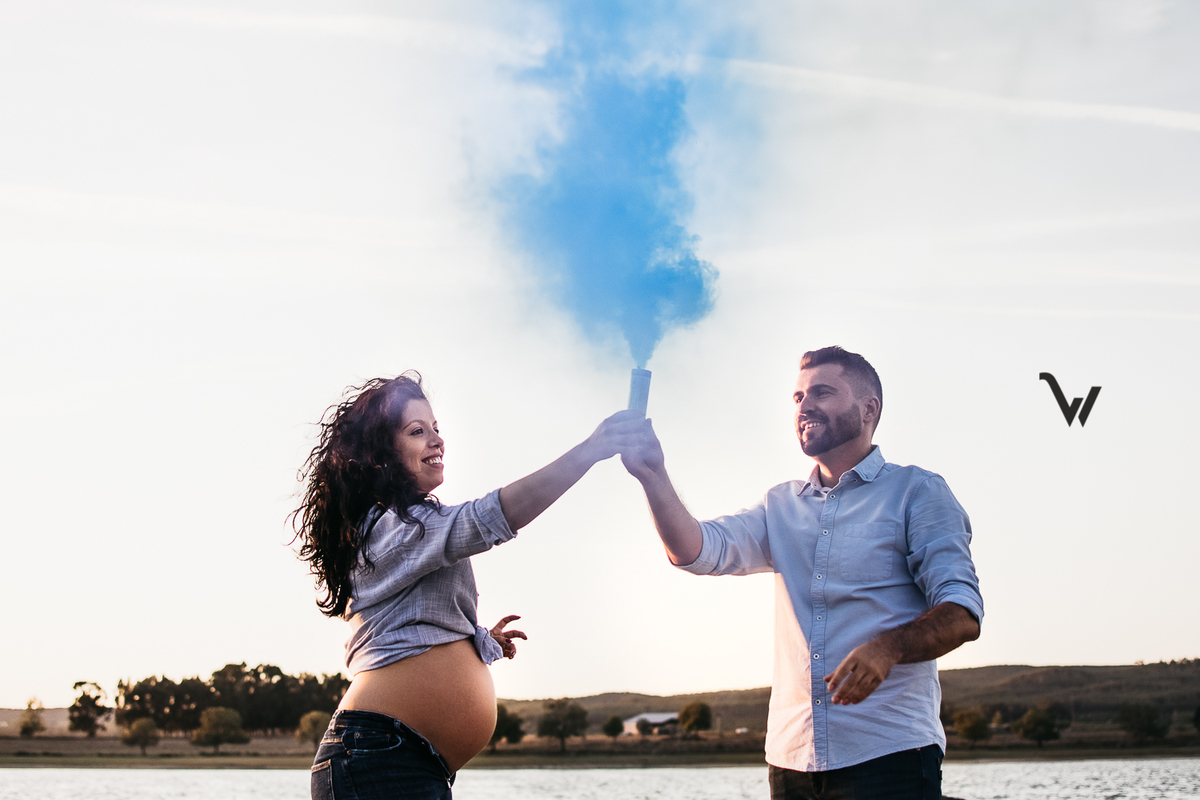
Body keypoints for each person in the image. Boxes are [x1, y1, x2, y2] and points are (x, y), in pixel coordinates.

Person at [621, 346, 983, 800]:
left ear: (869, 409)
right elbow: (696, 551)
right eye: (797, 397)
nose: (804, 406)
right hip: (790, 760)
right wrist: (652, 475)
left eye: (822, 392)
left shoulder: (918, 492)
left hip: (888, 756)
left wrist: (887, 648)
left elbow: (962, 612)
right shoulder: (780, 505)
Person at [293, 372, 641, 800]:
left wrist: (476, 643)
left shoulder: (410, 530)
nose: (437, 440)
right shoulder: (387, 530)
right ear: (379, 454)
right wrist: (589, 452)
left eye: (436, 428)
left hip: (402, 760)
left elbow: (413, 627)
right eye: (417, 431)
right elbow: (487, 519)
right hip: (378, 759)